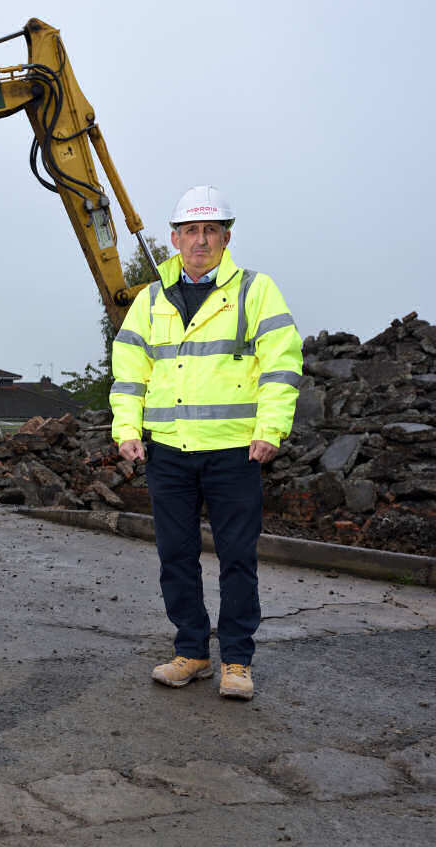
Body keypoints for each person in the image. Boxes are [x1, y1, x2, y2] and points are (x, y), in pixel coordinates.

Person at [110, 185, 302, 700]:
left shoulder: (256, 291)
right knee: (176, 555)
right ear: (174, 239)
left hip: (234, 450)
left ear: (226, 236)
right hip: (169, 451)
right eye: (191, 231)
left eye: (210, 230)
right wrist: (127, 429)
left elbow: (282, 365)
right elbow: (129, 373)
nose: (200, 241)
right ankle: (192, 651)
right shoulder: (150, 300)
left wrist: (270, 429)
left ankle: (236, 660)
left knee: (237, 556)